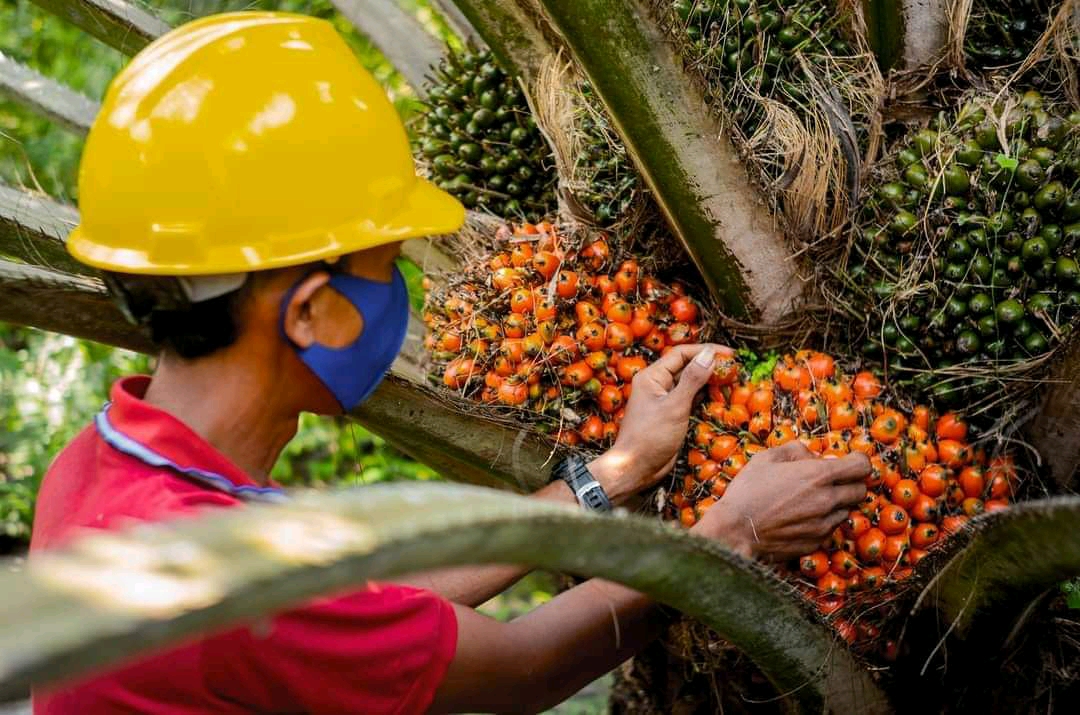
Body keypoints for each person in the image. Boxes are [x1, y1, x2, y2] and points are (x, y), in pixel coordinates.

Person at [29, 12, 871, 714]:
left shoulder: (103, 469)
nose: (402, 289)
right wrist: (735, 533)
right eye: (385, 263)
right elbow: (518, 666)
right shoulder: (224, 584)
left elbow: (370, 608)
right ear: (312, 311)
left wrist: (612, 473)